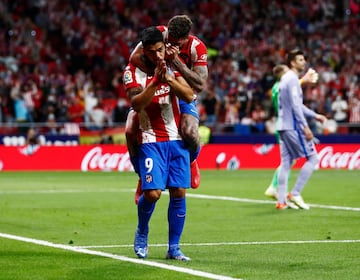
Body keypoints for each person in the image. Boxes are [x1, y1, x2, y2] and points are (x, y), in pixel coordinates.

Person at [123, 26, 194, 260]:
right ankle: (142, 231)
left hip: (175, 139)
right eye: (152, 52)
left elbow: (189, 95)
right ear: (143, 50)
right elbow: (136, 104)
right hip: (150, 138)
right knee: (152, 193)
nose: (158, 55)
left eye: (161, 50)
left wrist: (170, 80)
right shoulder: (132, 71)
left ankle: (174, 248)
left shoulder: (172, 64)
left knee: (178, 191)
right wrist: (155, 83)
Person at [127, 15, 208, 204]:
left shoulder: (197, 48)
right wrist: (159, 68)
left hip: (181, 92)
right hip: (156, 89)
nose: (171, 44)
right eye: (169, 41)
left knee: (189, 132)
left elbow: (200, 84)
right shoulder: (159, 35)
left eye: (177, 43)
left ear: (186, 39)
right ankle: (142, 176)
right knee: (130, 129)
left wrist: (176, 62)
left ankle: (191, 162)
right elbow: (134, 58)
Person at [275, 49, 327, 210]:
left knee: (286, 162)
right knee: (312, 158)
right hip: (293, 127)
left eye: (303, 60)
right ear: (292, 63)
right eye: (300, 60)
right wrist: (305, 127)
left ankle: (281, 201)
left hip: (282, 126)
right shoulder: (292, 80)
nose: (303, 62)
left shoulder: (284, 80)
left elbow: (295, 105)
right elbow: (297, 107)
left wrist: (315, 115)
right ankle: (295, 193)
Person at [264, 64, 320, 200]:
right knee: (288, 162)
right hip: (287, 125)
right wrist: (303, 79)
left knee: (289, 161)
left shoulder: (279, 86)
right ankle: (277, 189)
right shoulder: (280, 86)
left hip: (283, 125)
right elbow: (286, 95)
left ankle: (280, 194)